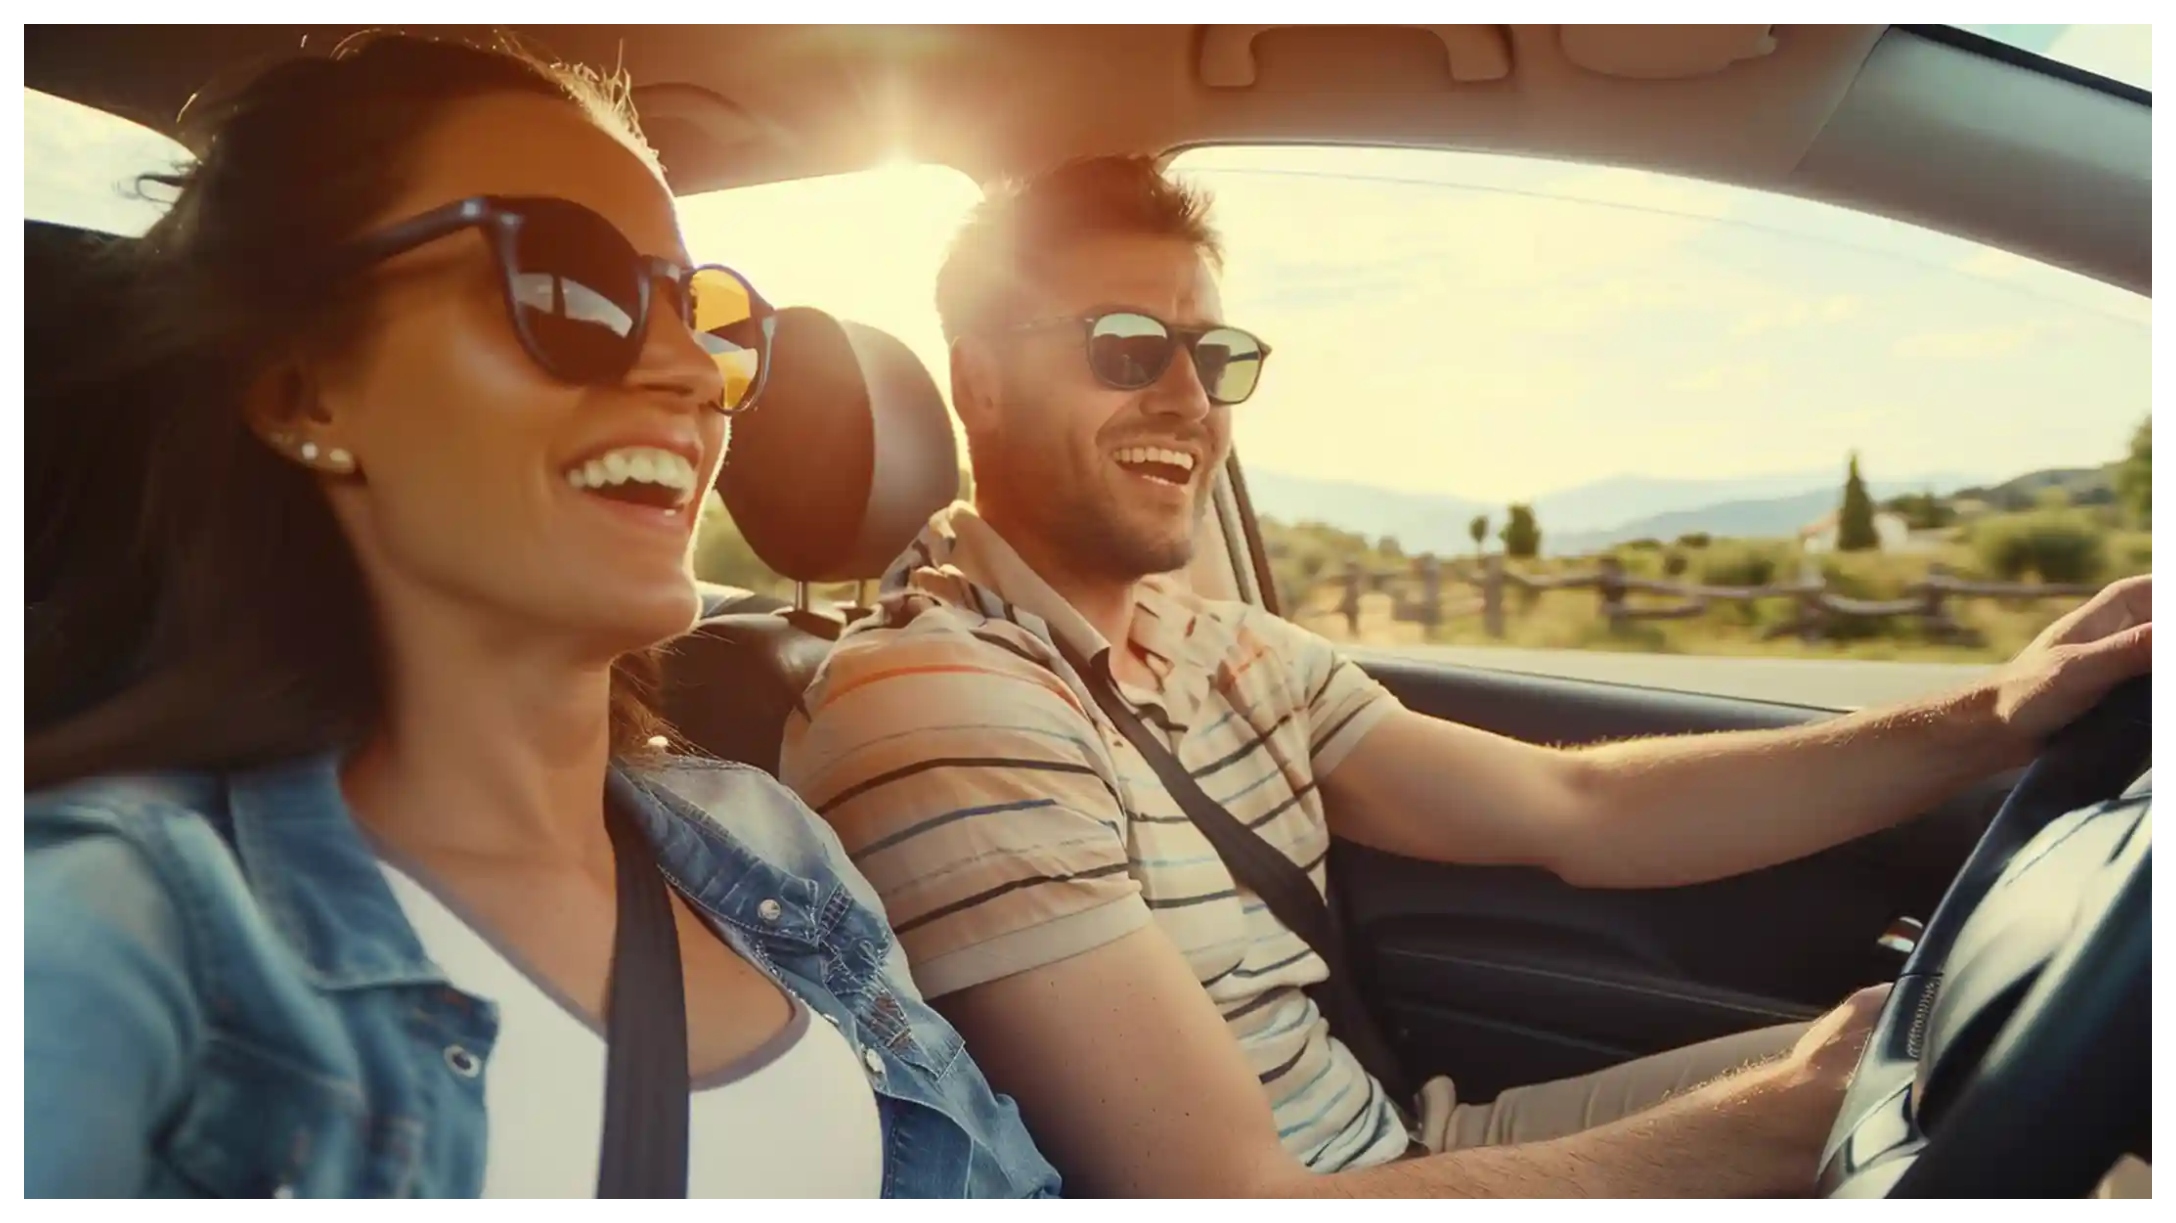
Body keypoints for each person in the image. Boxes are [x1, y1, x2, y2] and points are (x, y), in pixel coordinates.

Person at [777, 155, 2153, 1197]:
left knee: (1930, 1062)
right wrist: (1784, 1109)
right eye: (1123, 347)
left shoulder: (1222, 643)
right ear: (982, 384)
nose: (1190, 399)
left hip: (1419, 1139)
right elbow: (1233, 1203)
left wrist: (1995, 715)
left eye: (1215, 354)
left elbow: (1582, 813)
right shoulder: (935, 702)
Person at [22, 35, 1057, 1199]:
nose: (685, 370)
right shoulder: (107, 930)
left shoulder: (767, 842)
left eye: (706, 314)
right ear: (302, 385)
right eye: (569, 286)